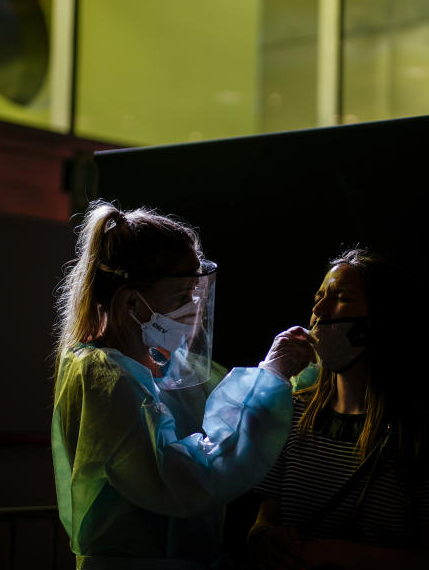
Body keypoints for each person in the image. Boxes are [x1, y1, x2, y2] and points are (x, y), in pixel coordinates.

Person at [51, 200, 315, 570]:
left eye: (194, 293)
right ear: (131, 303)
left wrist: (299, 372)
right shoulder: (103, 376)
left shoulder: (166, 367)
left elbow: (244, 404)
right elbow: (185, 480)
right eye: (179, 297)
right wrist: (270, 375)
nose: (192, 307)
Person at [248, 247, 429, 570]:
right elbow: (264, 520)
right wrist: (263, 539)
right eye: (318, 297)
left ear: (380, 319)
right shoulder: (293, 412)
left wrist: (344, 555)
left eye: (340, 297)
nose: (319, 310)